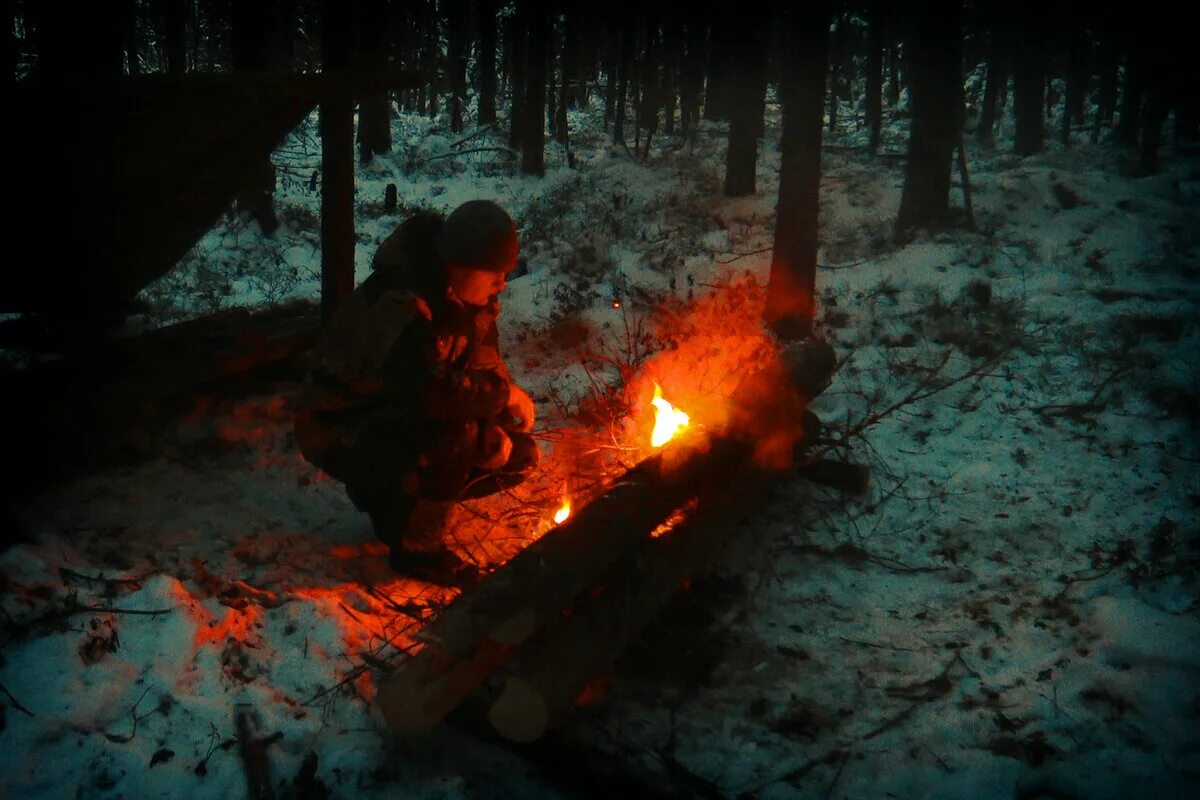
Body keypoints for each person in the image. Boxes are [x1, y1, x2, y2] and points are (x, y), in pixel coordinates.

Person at [294, 200, 539, 579]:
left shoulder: (474, 302)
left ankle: (393, 500)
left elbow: (480, 370)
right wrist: (497, 398)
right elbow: (427, 394)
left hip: (400, 417)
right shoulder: (400, 304)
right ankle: (416, 550)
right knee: (455, 434)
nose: (502, 284)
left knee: (518, 452)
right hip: (341, 426)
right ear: (459, 264)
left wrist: (495, 416)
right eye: (493, 273)